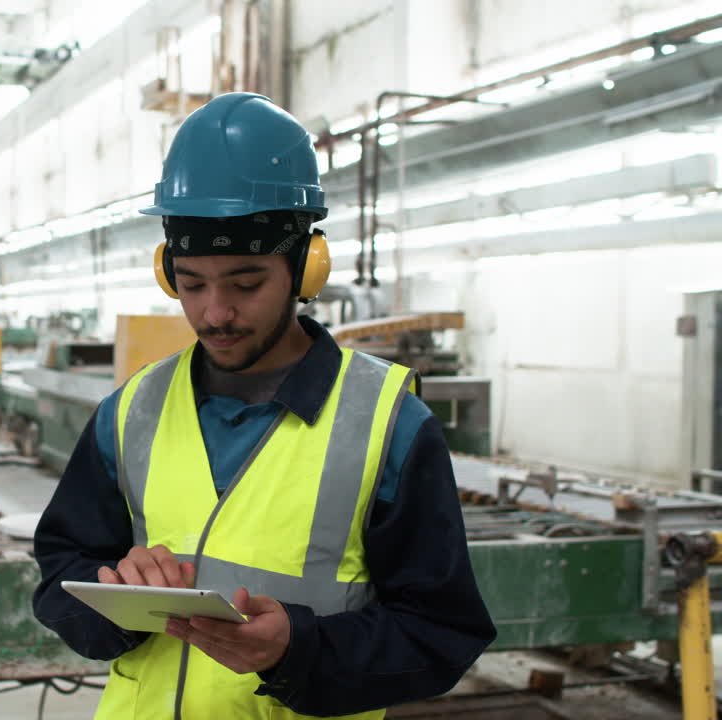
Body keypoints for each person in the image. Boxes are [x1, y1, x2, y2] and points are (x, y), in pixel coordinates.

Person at [31, 92, 496, 719]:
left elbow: (440, 634)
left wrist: (296, 649)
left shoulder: (388, 424)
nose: (214, 313)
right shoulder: (131, 411)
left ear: (306, 267)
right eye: (191, 284)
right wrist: (119, 602)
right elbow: (62, 572)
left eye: (247, 283)